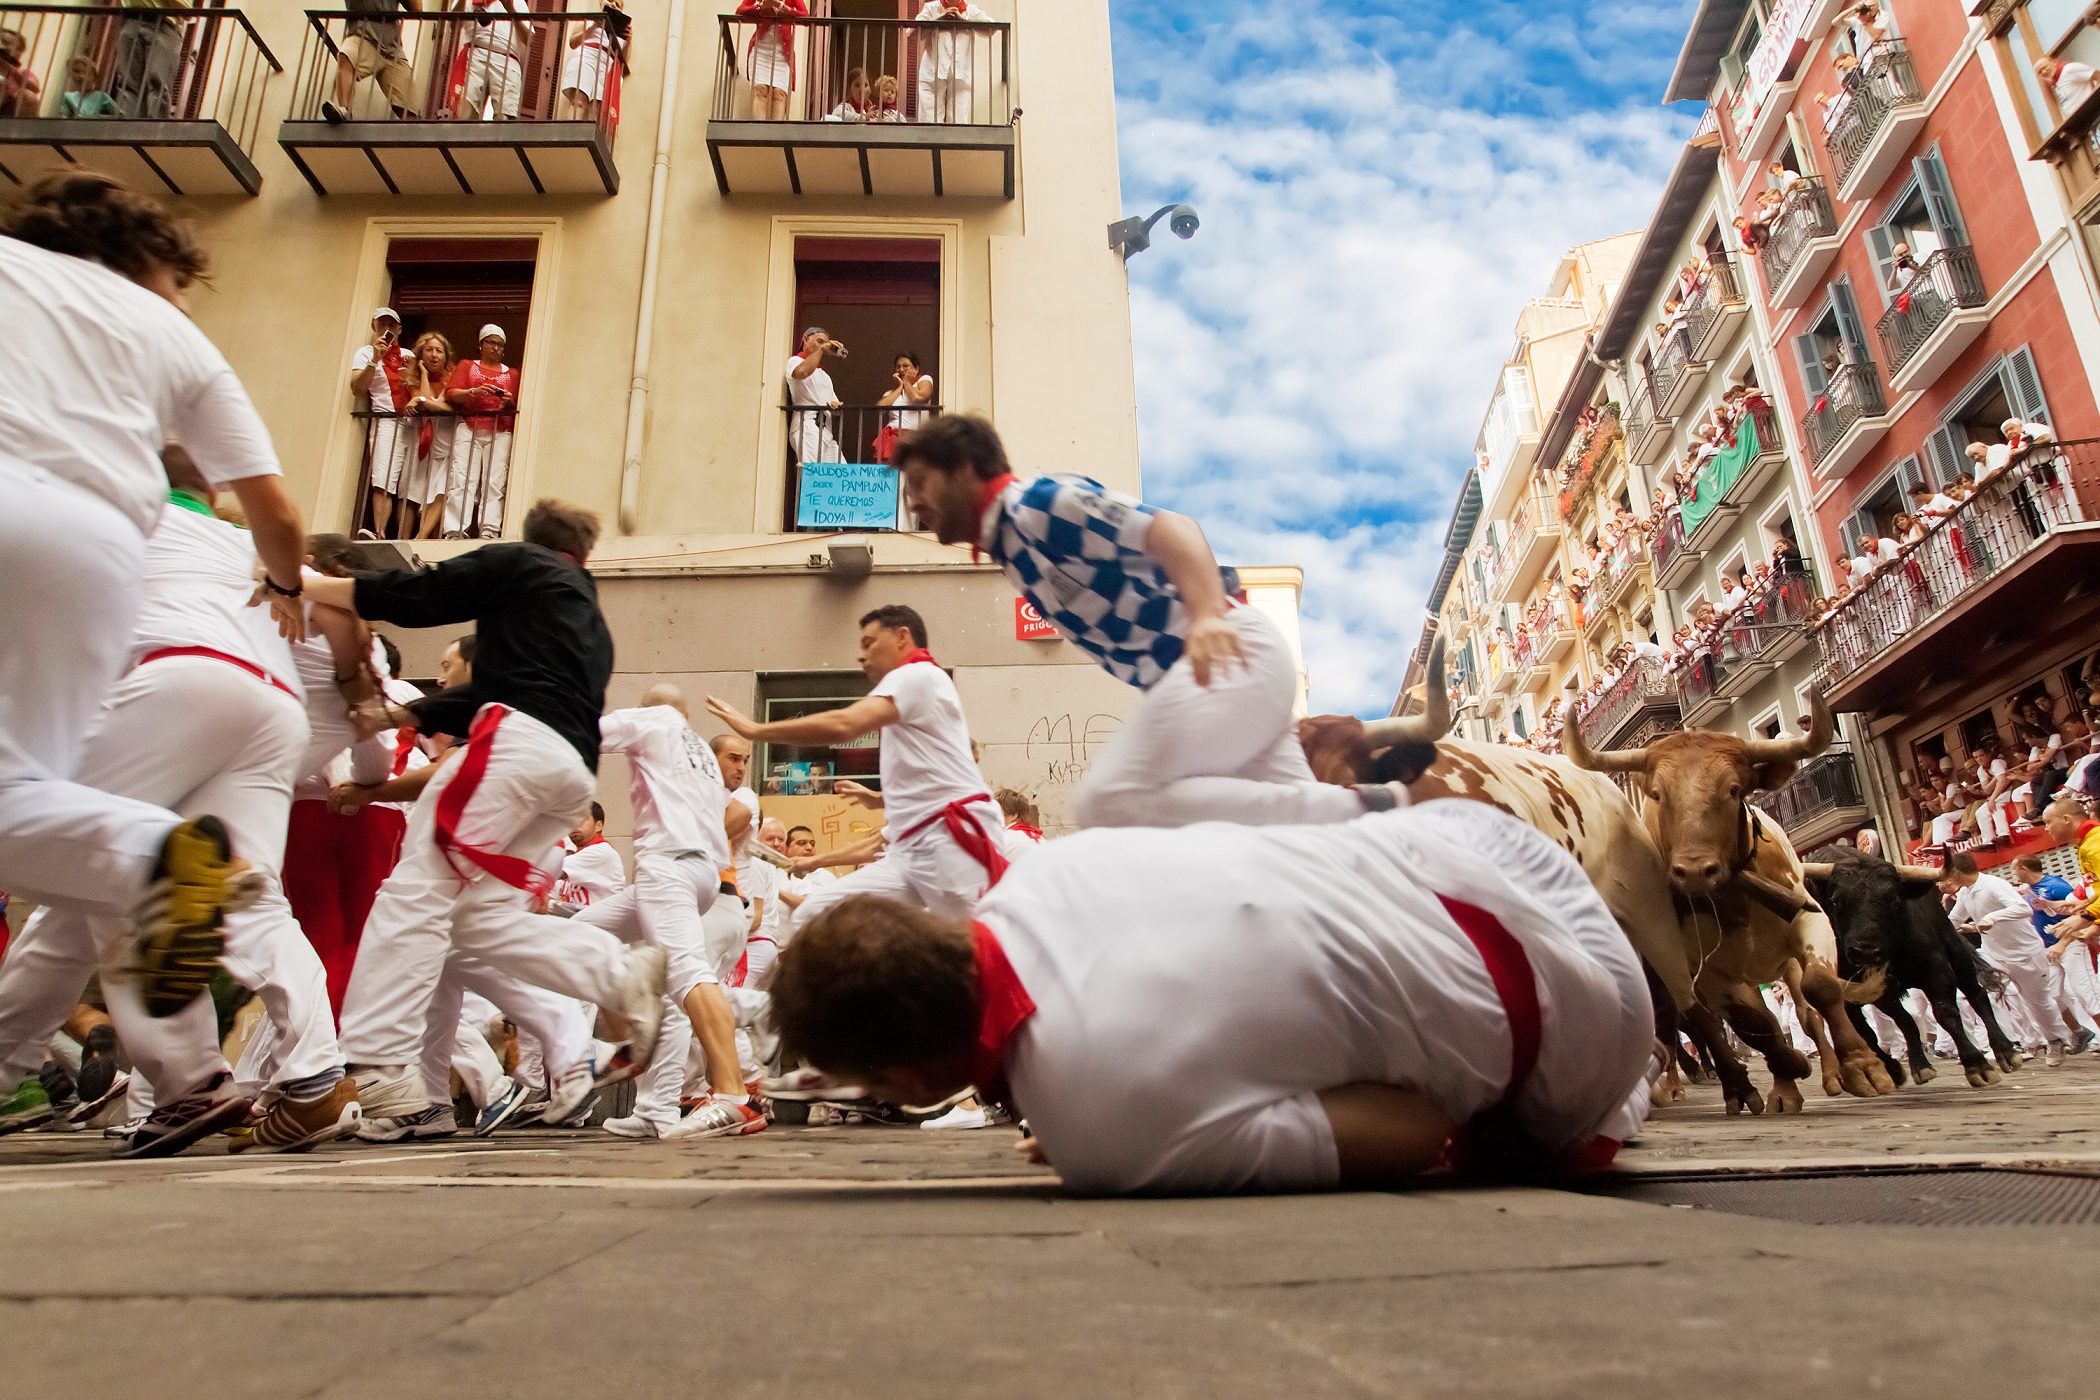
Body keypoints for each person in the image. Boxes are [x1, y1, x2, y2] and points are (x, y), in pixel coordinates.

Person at [769, 797, 1654, 1195]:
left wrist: (1117, 1132)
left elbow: (1415, 1130)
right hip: (1483, 847)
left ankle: (1627, 1092)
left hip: (1590, 1021)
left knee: (1511, 1144)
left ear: (911, 1080)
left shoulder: (1104, 1136)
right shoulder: (1049, 871)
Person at [0, 171, 306, 1025]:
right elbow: (275, 508)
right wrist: (282, 583)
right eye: (178, 283)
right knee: (20, 790)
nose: (182, 302)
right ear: (140, 261)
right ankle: (159, 854)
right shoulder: (168, 333)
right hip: (97, 550)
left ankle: (159, 858)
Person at [0, 449, 358, 1157]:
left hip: (175, 680)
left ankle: (191, 1077)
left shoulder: (119, 518)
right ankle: (317, 1073)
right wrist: (360, 690)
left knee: (103, 862)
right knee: (235, 894)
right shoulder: (239, 545)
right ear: (211, 489)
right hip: (270, 704)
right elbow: (349, 618)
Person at [301, 500, 669, 1122]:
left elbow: (425, 593)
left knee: (413, 893)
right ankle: (612, 972)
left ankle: (381, 1064)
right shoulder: (583, 614)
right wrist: (404, 714)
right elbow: (493, 683)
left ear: (532, 538)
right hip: (569, 774)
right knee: (477, 920)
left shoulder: (519, 562)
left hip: (515, 749)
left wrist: (311, 584)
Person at [892, 416, 1377, 832]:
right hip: (1225, 670)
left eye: (919, 483)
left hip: (1223, 657)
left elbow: (1173, 528)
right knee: (1307, 841)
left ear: (963, 469)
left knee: (1107, 800)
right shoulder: (1012, 547)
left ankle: (1351, 806)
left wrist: (1207, 616)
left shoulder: (1037, 507)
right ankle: (1373, 844)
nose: (913, 503)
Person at [710, 606, 1007, 936]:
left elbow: (844, 725)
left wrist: (755, 730)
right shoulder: (913, 690)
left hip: (949, 841)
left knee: (981, 948)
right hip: (907, 850)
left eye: (869, 643)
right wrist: (879, 798)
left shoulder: (918, 674)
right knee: (815, 915)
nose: (861, 655)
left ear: (902, 637)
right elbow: (930, 776)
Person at [580, 686, 763, 1141]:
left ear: (650, 709)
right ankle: (653, 1102)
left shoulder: (653, 720)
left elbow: (583, 733)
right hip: (697, 873)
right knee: (580, 932)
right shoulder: (700, 748)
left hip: (670, 867)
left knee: (685, 975)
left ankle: (733, 1096)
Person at [1943, 852, 2072, 1066]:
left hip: (2025, 953)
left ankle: (2055, 1039)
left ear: (1955, 871)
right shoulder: (1966, 893)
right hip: (1993, 954)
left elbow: (2023, 908)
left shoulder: (1993, 884)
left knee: (2037, 1002)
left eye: (1947, 872)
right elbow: (1952, 920)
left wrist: (1993, 918)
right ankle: (2008, 1042)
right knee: (1989, 994)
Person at [2010, 854, 2099, 1051]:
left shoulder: (2056, 886)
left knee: (2086, 994)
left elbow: (2079, 914)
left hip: (2071, 945)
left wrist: (2064, 943)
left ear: (2024, 868)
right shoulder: (2030, 890)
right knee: (2050, 995)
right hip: (2049, 948)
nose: (2013, 873)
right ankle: (2079, 1032)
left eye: (2015, 868)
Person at [443, 324, 519, 539]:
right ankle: (455, 529)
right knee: (462, 478)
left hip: (500, 429)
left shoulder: (511, 373)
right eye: (491, 343)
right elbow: (451, 394)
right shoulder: (468, 366)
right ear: (481, 345)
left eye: (500, 345)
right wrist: (472, 392)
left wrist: (508, 401)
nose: (495, 348)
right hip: (469, 427)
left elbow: (515, 403)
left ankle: (489, 529)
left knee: (495, 481)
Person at [350, 307, 417, 539]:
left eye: (391, 325)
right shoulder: (365, 353)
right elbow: (357, 389)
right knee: (383, 481)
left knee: (410, 487)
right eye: (382, 325)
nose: (386, 329)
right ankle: (379, 532)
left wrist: (412, 374)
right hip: (387, 421)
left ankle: (403, 537)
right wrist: (375, 361)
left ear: (399, 329)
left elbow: (422, 388)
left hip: (413, 424)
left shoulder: (409, 355)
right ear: (374, 327)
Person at [323, 0, 421, 124]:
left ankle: (413, 135)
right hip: (364, 37)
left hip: (392, 50)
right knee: (346, 55)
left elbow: (417, 9)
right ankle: (344, 110)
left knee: (410, 110)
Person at [403, 330, 456, 540]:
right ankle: (428, 539)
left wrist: (423, 402)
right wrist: (423, 374)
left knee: (442, 491)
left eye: (439, 351)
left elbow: (449, 407)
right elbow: (422, 399)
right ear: (421, 354)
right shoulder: (415, 378)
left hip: (448, 442)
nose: (434, 355)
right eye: (429, 350)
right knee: (427, 495)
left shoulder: (453, 377)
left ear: (446, 355)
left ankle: (420, 537)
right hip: (427, 444)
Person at [449, 0, 534, 121]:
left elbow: (529, 39)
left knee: (503, 118)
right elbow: (453, 25)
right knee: (465, 114)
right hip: (475, 54)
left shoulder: (517, 2)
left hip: (508, 61)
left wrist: (511, 10)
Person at [914, 0, 993, 124]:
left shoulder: (971, 10)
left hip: (961, 75)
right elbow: (914, 33)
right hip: (932, 73)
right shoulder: (931, 8)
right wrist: (940, 19)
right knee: (929, 123)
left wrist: (964, 21)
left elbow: (991, 28)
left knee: (958, 122)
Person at [738, 0, 806, 121]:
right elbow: (740, 10)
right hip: (761, 51)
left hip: (783, 55)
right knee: (760, 91)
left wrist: (784, 8)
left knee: (779, 94)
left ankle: (775, 135)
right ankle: (759, 131)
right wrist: (760, 8)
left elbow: (805, 16)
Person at [561, 0, 628, 123]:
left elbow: (624, 60)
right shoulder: (589, 18)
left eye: (617, 4)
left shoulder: (622, 30)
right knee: (579, 100)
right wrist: (595, 25)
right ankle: (572, 138)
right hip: (587, 55)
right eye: (610, 1)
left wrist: (629, 38)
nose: (613, 5)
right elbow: (573, 42)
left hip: (607, 64)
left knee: (598, 108)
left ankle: (588, 140)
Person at [786, 326, 845, 466]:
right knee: (810, 472)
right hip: (807, 426)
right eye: (819, 341)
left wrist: (837, 407)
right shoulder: (795, 361)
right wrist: (821, 349)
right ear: (805, 339)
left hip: (826, 431)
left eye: (825, 343)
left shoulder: (824, 376)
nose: (824, 346)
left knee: (841, 473)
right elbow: (802, 373)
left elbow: (836, 408)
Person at [558, 802, 625, 906]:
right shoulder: (575, 860)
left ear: (599, 826)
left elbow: (554, 869)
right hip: (578, 921)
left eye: (583, 818)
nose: (575, 824)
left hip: (599, 922)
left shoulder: (601, 851)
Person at [875, 351, 935, 464]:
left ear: (916, 369)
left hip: (915, 439)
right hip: (892, 439)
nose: (901, 370)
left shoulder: (924, 380)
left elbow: (917, 397)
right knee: (894, 476)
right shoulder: (890, 393)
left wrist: (907, 382)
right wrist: (900, 386)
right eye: (898, 367)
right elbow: (880, 408)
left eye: (906, 366)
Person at [0, 28, 39, 117]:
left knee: (28, 97)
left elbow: (33, 88)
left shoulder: (25, 73)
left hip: (10, 110)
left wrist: (11, 70)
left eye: (6, 42)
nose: (2, 46)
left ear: (19, 53)